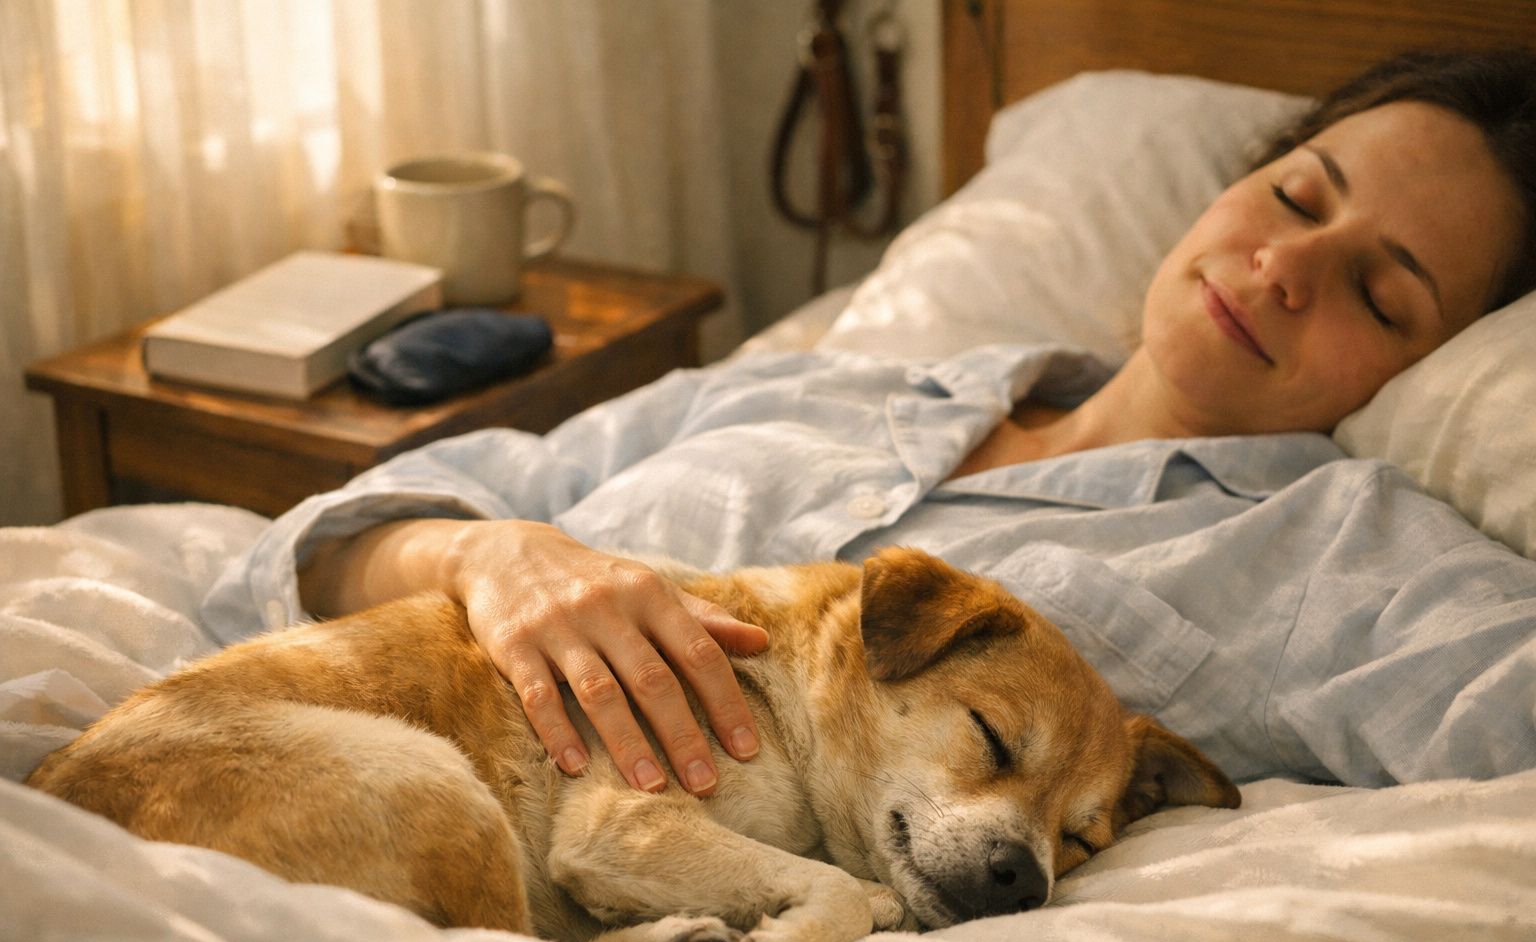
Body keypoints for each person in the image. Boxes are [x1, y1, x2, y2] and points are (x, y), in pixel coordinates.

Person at [205, 48, 1536, 794]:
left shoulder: (1334, 553)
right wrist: (488, 557)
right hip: (317, 738)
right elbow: (293, 551)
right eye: (1301, 199)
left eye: (1381, 290)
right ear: (1234, 191)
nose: (1290, 269)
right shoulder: (834, 385)